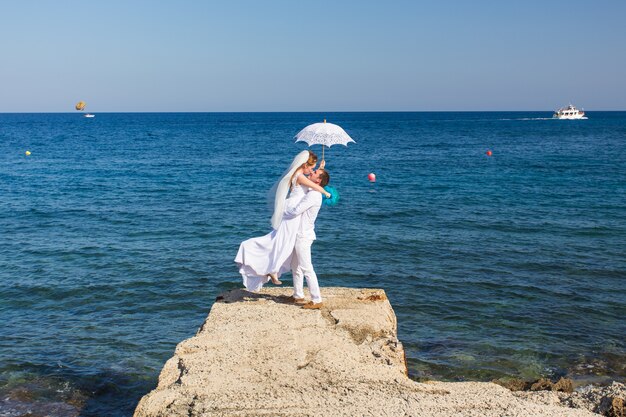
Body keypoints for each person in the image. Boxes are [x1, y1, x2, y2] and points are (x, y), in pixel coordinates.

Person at [235, 151, 330, 291]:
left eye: (314, 170)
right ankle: (268, 264)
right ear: (305, 164)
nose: (312, 170)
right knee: (281, 241)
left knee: (282, 241)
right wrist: (325, 192)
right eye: (312, 168)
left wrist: (321, 167)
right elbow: (315, 185)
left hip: (292, 212)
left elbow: (315, 181)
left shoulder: (300, 175)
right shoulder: (299, 176)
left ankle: (273, 268)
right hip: (292, 212)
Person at [284, 168, 330, 309]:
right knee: (295, 266)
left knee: (306, 268)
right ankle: (298, 295)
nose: (312, 172)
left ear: (318, 181)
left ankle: (316, 299)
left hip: (303, 235)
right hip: (300, 234)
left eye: (315, 173)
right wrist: (322, 166)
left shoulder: (314, 195)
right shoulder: (313, 191)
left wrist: (283, 208)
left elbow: (296, 210)